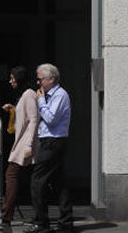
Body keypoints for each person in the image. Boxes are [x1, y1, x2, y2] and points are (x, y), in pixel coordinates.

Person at [25, 63, 73, 233]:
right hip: (49, 141)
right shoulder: (49, 95)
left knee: (37, 181)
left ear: (51, 79)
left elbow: (51, 118)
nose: (38, 83)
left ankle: (41, 222)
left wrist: (40, 101)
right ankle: (66, 221)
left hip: (54, 142)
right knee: (59, 182)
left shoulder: (60, 95)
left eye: (40, 79)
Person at [0, 66, 39, 224]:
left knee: (11, 175)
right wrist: (14, 110)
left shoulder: (29, 94)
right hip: (24, 143)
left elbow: (34, 119)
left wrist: (29, 146)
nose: (10, 81)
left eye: (12, 78)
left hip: (26, 144)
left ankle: (6, 215)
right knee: (30, 178)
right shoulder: (26, 94)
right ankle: (8, 214)